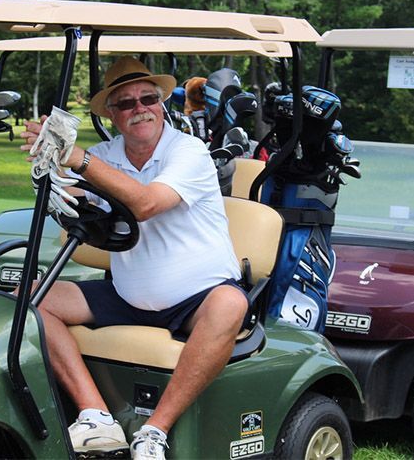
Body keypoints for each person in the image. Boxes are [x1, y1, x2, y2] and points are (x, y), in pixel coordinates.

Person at [20, 56, 248, 460]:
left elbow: (144, 203)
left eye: (148, 98)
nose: (140, 108)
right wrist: (48, 164)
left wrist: (79, 160)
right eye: (126, 103)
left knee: (232, 304)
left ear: (162, 103)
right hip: (128, 295)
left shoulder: (188, 151)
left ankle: (154, 431)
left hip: (197, 297)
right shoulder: (107, 154)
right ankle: (96, 415)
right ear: (112, 114)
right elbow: (77, 197)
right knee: (32, 297)